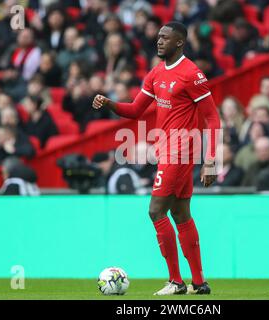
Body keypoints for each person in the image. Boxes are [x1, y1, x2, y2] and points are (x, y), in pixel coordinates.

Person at [92, 22, 220, 295]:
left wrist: (210, 160)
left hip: (181, 150)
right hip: (168, 150)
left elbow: (212, 117)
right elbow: (136, 110)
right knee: (181, 213)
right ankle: (199, 283)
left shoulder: (192, 74)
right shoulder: (156, 73)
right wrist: (110, 103)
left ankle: (176, 282)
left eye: (165, 37)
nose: (159, 41)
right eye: (158, 37)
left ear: (179, 43)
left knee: (155, 210)